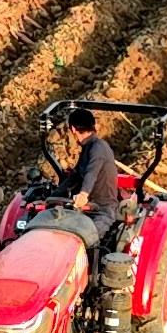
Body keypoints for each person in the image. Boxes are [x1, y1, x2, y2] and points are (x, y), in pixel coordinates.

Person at [63, 106, 124, 247]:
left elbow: (92, 173)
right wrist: (51, 198)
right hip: (84, 210)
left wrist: (83, 194)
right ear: (93, 126)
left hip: (102, 211)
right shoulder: (87, 149)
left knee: (83, 242)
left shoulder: (98, 148)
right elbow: (75, 176)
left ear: (72, 129)